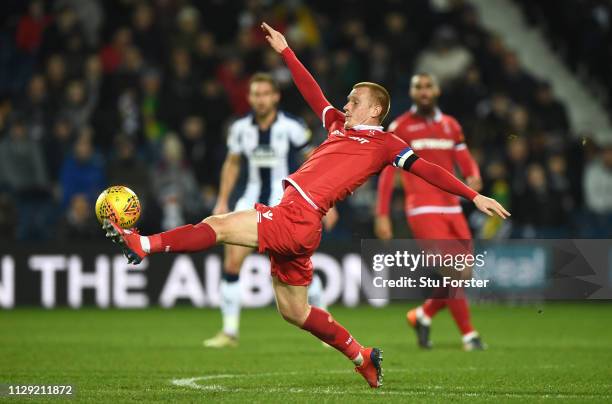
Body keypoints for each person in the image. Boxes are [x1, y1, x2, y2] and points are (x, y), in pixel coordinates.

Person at [102, 23, 509, 388]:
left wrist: (474, 195)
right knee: (295, 312)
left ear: (375, 109)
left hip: (297, 216)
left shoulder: (387, 143)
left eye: (353, 101)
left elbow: (428, 170)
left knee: (219, 224)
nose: (345, 105)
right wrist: (286, 52)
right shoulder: (336, 126)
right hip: (302, 225)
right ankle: (362, 357)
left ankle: (145, 245)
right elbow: (312, 90)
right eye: (347, 101)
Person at [203, 72, 330, 348]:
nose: (260, 100)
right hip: (249, 201)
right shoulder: (240, 128)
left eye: (265, 94)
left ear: (276, 96)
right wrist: (223, 199)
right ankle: (229, 331)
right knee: (232, 262)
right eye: (255, 94)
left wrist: (324, 201)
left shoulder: (292, 126)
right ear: (249, 98)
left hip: (285, 203)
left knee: (299, 267)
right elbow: (233, 163)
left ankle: (325, 325)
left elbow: (315, 161)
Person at [375, 73, 485, 351]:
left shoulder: (451, 125)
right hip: (422, 208)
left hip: (452, 207)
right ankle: (469, 336)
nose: (423, 92)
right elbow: (388, 174)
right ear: (411, 93)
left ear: (437, 91)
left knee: (465, 274)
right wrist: (382, 213)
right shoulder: (400, 127)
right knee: (453, 272)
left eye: (428, 87)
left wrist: (473, 174)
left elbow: (464, 158)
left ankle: (422, 314)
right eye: (418, 87)